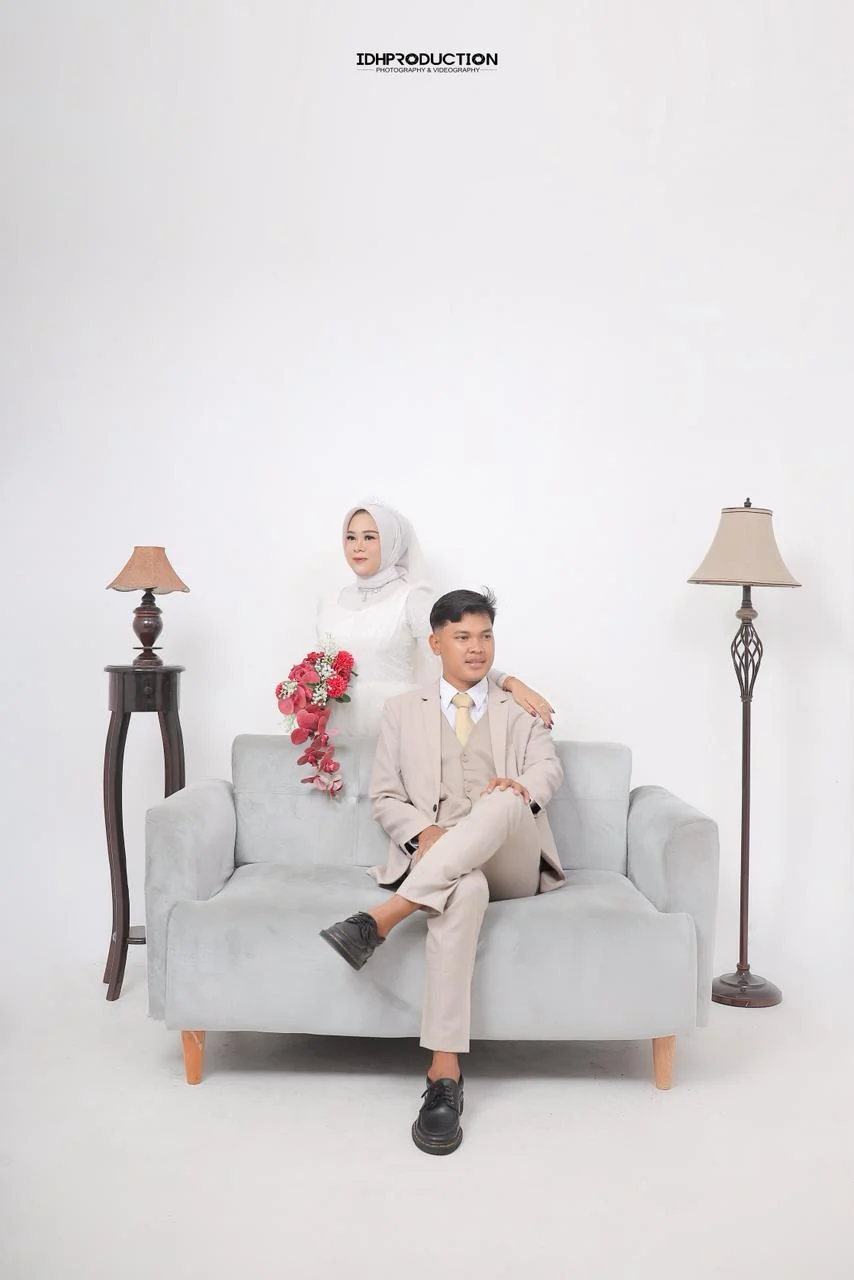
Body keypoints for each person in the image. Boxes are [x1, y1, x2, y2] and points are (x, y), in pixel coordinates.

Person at [320, 588, 566, 1154]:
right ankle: (444, 1075)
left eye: (485, 636)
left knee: (503, 798)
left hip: (511, 855)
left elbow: (547, 772)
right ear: (435, 644)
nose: (476, 648)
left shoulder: (520, 706)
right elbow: (385, 796)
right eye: (462, 637)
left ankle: (387, 915)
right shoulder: (402, 711)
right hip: (443, 860)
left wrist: (519, 787)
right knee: (464, 888)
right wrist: (423, 833)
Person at [313, 502, 554, 737]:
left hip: (396, 725)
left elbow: (451, 656)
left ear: (391, 542)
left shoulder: (411, 598)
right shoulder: (329, 602)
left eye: (369, 537)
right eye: (351, 537)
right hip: (337, 729)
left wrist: (509, 682)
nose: (358, 547)